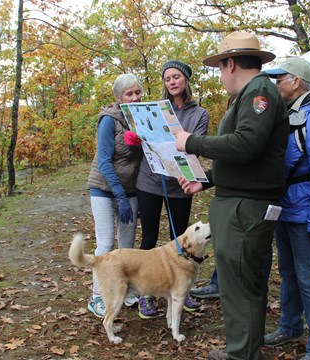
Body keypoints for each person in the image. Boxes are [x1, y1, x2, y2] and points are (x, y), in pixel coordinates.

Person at [175, 31, 289, 360]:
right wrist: (205, 180)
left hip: (244, 208)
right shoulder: (250, 94)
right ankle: (245, 351)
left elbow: (246, 143)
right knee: (244, 285)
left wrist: (192, 142)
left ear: (230, 63)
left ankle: (241, 355)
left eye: (221, 68)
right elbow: (245, 157)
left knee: (239, 288)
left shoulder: (260, 91)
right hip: (239, 201)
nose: (222, 76)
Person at [263, 57, 310, 360]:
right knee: (289, 272)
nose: (275, 84)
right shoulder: (293, 113)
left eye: (279, 79)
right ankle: (290, 326)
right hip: (285, 208)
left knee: (309, 279)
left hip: (305, 213)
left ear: (296, 81)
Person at [135, 60, 210, 319]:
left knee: (180, 239)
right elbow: (146, 138)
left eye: (176, 77)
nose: (172, 82)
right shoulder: (156, 110)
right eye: (167, 79)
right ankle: (146, 294)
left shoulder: (200, 114)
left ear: (186, 79)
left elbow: (195, 146)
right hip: (150, 180)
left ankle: (182, 289)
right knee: (149, 238)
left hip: (180, 183)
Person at [86, 73, 144, 318]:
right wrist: (120, 196)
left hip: (130, 190)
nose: (134, 97)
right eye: (128, 94)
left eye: (137, 92)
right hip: (104, 189)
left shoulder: (142, 117)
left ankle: (125, 290)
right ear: (119, 97)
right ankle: (97, 296)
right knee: (106, 244)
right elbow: (105, 162)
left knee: (127, 246)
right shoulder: (109, 120)